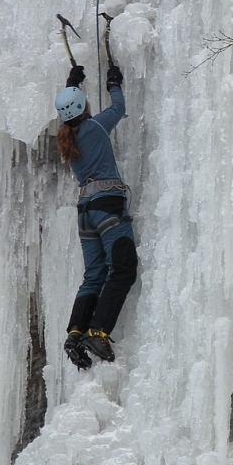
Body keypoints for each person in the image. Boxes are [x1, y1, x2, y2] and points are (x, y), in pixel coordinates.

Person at [55, 62, 139, 368]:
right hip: (108, 205)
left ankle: (75, 334)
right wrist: (114, 82)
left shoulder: (67, 134)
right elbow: (119, 106)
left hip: (85, 213)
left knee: (94, 276)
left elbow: (69, 110)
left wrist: (72, 80)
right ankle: (99, 332)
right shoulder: (97, 125)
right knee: (123, 267)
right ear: (83, 107)